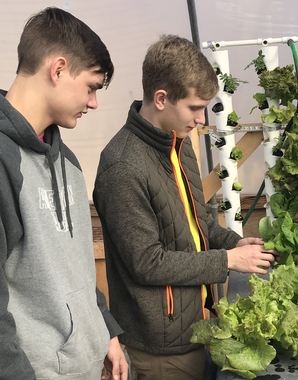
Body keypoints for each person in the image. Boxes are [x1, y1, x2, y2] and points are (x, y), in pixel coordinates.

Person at [93, 34, 277, 379]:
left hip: (196, 325)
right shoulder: (122, 167)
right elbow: (147, 264)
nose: (201, 118)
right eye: (194, 107)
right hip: (159, 347)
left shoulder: (179, 145)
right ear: (161, 98)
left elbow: (199, 223)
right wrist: (227, 261)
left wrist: (233, 243)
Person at [0, 7, 128, 380]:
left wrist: (105, 331)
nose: (94, 103)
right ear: (57, 70)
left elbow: (76, 268)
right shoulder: (4, 162)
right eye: (91, 86)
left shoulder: (67, 162)